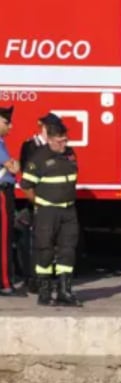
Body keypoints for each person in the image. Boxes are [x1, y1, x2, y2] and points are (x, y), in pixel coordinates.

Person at [20, 120, 81, 306]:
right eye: (60, 141)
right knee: (45, 250)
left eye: (66, 140)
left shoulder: (70, 154)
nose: (64, 144)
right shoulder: (38, 158)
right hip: (48, 211)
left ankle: (64, 291)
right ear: (50, 139)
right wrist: (39, 203)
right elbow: (26, 186)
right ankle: (44, 292)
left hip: (68, 211)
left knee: (67, 251)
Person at [0, 106, 20, 297]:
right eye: (6, 122)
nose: (10, 126)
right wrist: (15, 164)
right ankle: (5, 283)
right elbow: (13, 168)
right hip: (2, 193)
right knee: (4, 240)